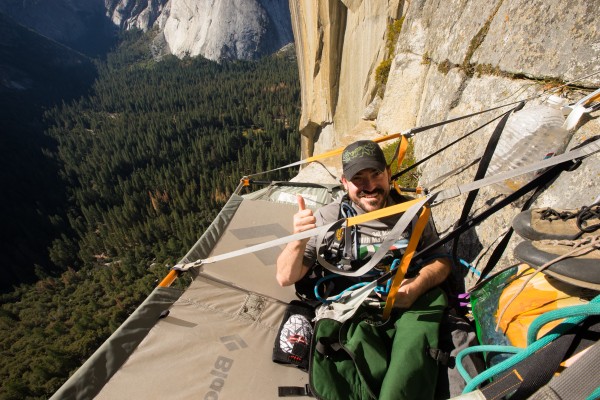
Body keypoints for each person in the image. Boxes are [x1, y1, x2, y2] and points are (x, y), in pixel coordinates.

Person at [276, 139, 451, 307]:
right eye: (358, 178)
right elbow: (285, 277)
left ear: (388, 174)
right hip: (349, 311)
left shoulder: (414, 212)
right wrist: (298, 240)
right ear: (345, 182)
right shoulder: (328, 218)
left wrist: (418, 285)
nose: (370, 186)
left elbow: (441, 260)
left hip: (409, 306)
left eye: (376, 174)